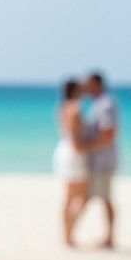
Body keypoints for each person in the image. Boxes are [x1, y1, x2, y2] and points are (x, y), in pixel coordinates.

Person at [52, 78, 94, 248]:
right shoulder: (73, 109)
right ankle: (68, 234)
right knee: (82, 196)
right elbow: (77, 143)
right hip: (74, 155)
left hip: (64, 151)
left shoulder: (62, 108)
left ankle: (67, 235)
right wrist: (98, 143)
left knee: (70, 197)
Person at [84, 71, 119, 249]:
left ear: (96, 84)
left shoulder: (105, 104)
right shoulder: (98, 103)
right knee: (102, 197)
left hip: (103, 160)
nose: (85, 87)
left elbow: (109, 132)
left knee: (103, 196)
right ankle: (109, 237)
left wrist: (86, 146)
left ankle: (109, 238)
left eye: (87, 83)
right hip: (98, 159)